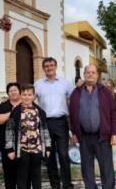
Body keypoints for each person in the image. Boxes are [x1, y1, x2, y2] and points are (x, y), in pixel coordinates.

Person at [69, 64, 116, 189]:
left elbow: (113, 113)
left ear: (97, 75)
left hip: (102, 136)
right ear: (84, 75)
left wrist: (115, 133)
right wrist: (74, 133)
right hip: (84, 136)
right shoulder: (76, 92)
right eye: (88, 72)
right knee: (86, 167)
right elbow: (72, 113)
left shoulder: (105, 92)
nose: (90, 74)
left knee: (106, 166)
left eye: (93, 72)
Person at [34, 57, 74, 189]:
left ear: (55, 67)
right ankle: (55, 185)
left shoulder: (65, 83)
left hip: (61, 122)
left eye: (51, 65)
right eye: (46, 66)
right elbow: (30, 100)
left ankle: (67, 184)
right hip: (45, 124)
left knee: (63, 154)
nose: (49, 68)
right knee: (49, 156)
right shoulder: (38, 84)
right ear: (43, 68)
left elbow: (74, 99)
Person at [5, 84, 51, 189]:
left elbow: (45, 130)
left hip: (37, 149)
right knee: (22, 176)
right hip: (22, 149)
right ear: (21, 95)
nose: (26, 97)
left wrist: (48, 147)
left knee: (36, 175)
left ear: (34, 96)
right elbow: (9, 131)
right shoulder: (15, 112)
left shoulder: (40, 112)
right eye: (24, 94)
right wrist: (10, 149)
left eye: (29, 95)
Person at [0, 83, 21, 189]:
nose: (13, 92)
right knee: (9, 174)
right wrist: (13, 112)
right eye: (11, 91)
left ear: (19, 92)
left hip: (23, 145)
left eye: (15, 90)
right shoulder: (3, 106)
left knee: (23, 173)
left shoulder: (26, 104)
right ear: (8, 93)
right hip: (7, 145)